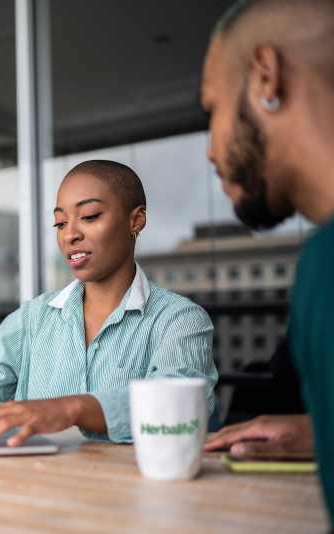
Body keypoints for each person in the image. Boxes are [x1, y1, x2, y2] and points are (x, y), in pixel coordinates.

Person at [0, 160, 218, 447]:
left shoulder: (179, 320)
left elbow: (180, 407)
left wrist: (72, 408)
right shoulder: (35, 317)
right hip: (36, 481)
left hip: (128, 485)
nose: (70, 235)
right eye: (60, 223)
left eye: (90, 217)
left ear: (135, 220)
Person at [198, 0, 334, 520]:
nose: (210, 149)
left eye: (212, 110)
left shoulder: (325, 267)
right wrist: (316, 431)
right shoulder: (318, 264)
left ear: (265, 77)